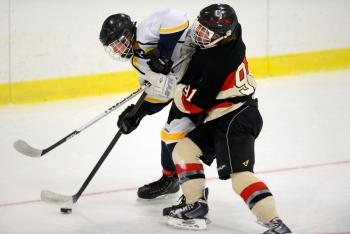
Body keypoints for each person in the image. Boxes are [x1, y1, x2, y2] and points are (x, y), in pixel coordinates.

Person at [143, 4, 291, 234]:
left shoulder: (218, 61)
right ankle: (196, 206)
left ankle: (276, 224)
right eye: (200, 27)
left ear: (224, 35)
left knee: (240, 176)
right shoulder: (229, 36)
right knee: (183, 150)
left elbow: (193, 105)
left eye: (206, 32)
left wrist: (168, 86)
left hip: (236, 116)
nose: (199, 34)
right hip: (221, 116)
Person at [99, 9, 197, 200]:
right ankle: (170, 180)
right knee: (170, 133)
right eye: (113, 48)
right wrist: (138, 113)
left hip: (205, 74)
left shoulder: (145, 30)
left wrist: (164, 53)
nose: (117, 50)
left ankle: (195, 193)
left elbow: (177, 17)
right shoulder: (138, 61)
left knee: (192, 137)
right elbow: (162, 91)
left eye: (118, 44)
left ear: (128, 34)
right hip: (185, 88)